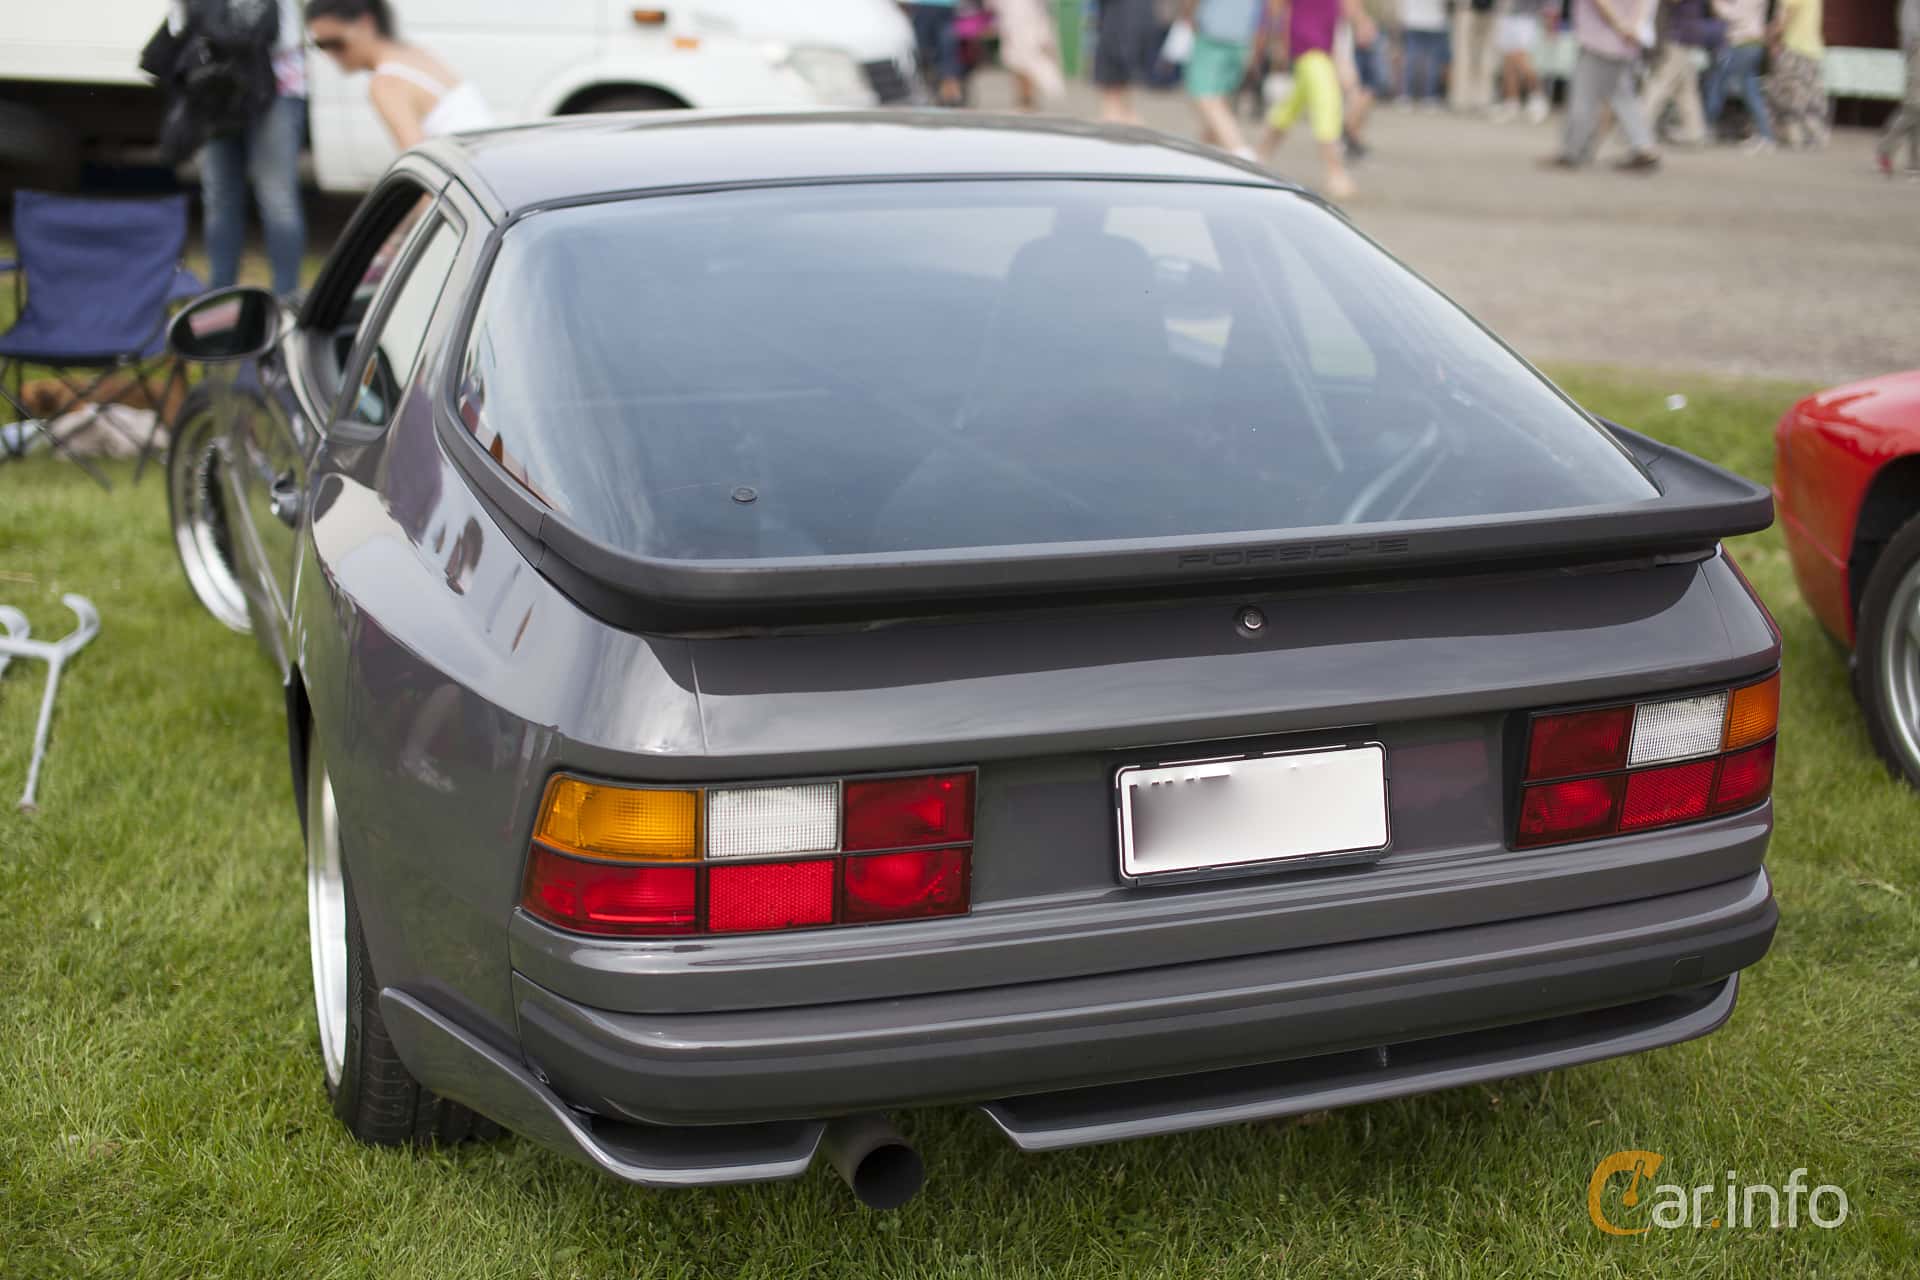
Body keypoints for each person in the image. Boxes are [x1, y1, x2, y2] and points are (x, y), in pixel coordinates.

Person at [170, 0, 307, 296]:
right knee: (224, 197)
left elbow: (180, 24)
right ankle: (220, 297)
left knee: (272, 197)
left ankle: (286, 302)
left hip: (276, 84)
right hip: (216, 86)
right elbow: (179, 22)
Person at [305, 0, 492, 147]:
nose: (330, 54)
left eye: (335, 43)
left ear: (365, 23)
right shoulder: (414, 53)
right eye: (321, 46)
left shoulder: (385, 84)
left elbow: (422, 171)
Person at [1258, 0, 1380, 199]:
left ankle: (1260, 155)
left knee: (1290, 107)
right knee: (1327, 104)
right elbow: (1276, 6)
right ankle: (1335, 173)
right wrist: (1275, 39)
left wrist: (1359, 25)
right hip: (1307, 42)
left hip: (1321, 44)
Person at [1548, 0, 1660, 170]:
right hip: (1626, 41)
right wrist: (1636, 25)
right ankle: (1643, 147)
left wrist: (1621, 25)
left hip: (1601, 39)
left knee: (1584, 96)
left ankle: (1572, 151)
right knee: (1623, 96)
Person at [1182, 0, 1264, 157]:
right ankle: (1204, 157)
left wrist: (1188, 15)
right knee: (1219, 103)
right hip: (1242, 39)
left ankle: (1240, 151)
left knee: (1205, 98)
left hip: (1214, 35)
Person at [1641, 0, 1720, 145]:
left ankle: (1639, 128)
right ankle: (1695, 132)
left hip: (1679, 37)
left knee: (1660, 84)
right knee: (1686, 90)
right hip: (1689, 36)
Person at [1702, 0, 1774, 150]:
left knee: (1717, 82)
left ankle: (1706, 126)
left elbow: (1733, 14)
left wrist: (1716, 4)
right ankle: (1766, 135)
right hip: (1752, 44)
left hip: (1743, 44)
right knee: (1750, 91)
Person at [1765, 0, 1827, 148]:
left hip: (1793, 49)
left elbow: (1781, 21)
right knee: (1811, 97)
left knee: (1788, 95)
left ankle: (1794, 137)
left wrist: (1769, 38)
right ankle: (1816, 136)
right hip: (1814, 50)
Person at [1093, 0, 1162, 122]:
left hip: (1117, 31)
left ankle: (1119, 120)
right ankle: (1125, 117)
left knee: (1112, 104)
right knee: (1122, 100)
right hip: (1133, 31)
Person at [990, 0, 1066, 110]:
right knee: (1017, 63)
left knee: (1029, 64)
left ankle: (1027, 101)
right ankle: (1023, 100)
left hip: (1030, 26)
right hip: (1012, 24)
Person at [1876, 0, 1920, 176]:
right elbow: (1909, 23)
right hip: (1917, 46)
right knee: (1914, 105)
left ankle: (1915, 161)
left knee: (1917, 108)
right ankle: (1885, 150)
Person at [1492, 0, 1551, 122]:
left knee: (1522, 61)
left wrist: (1549, 18)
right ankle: (1511, 103)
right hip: (1506, 16)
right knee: (1508, 64)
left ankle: (1538, 99)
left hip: (1526, 17)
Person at [1449, 0, 1499, 112]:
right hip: (1471, 10)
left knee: (1478, 57)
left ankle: (1476, 98)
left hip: (1479, 11)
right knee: (1468, 57)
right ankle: (1467, 98)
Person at [1397, 0, 1448, 107]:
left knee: (1411, 59)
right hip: (1435, 21)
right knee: (1432, 62)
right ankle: (1430, 96)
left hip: (1413, 20)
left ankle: (1407, 95)